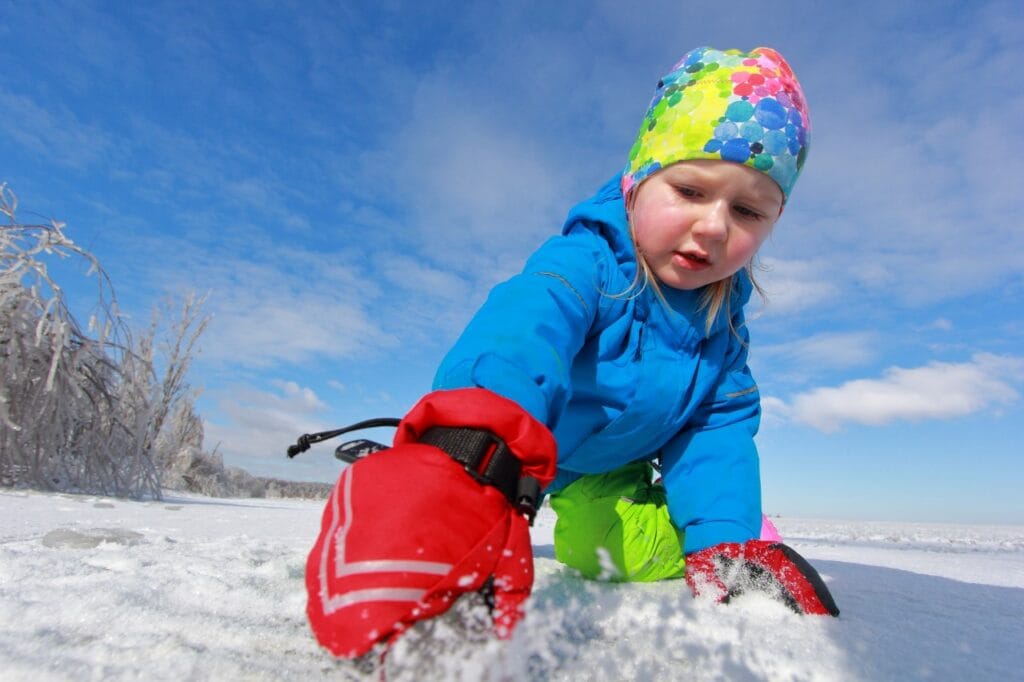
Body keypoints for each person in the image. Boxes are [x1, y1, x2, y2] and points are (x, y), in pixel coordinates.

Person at [305, 46, 838, 660]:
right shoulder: (587, 265)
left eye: (747, 211)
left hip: (613, 467)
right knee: (460, 497)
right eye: (690, 190)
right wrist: (473, 448)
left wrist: (726, 543)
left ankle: (715, 527)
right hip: (524, 444)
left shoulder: (723, 326)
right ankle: (430, 483)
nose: (715, 227)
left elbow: (715, 432)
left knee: (601, 553)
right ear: (636, 182)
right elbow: (519, 337)